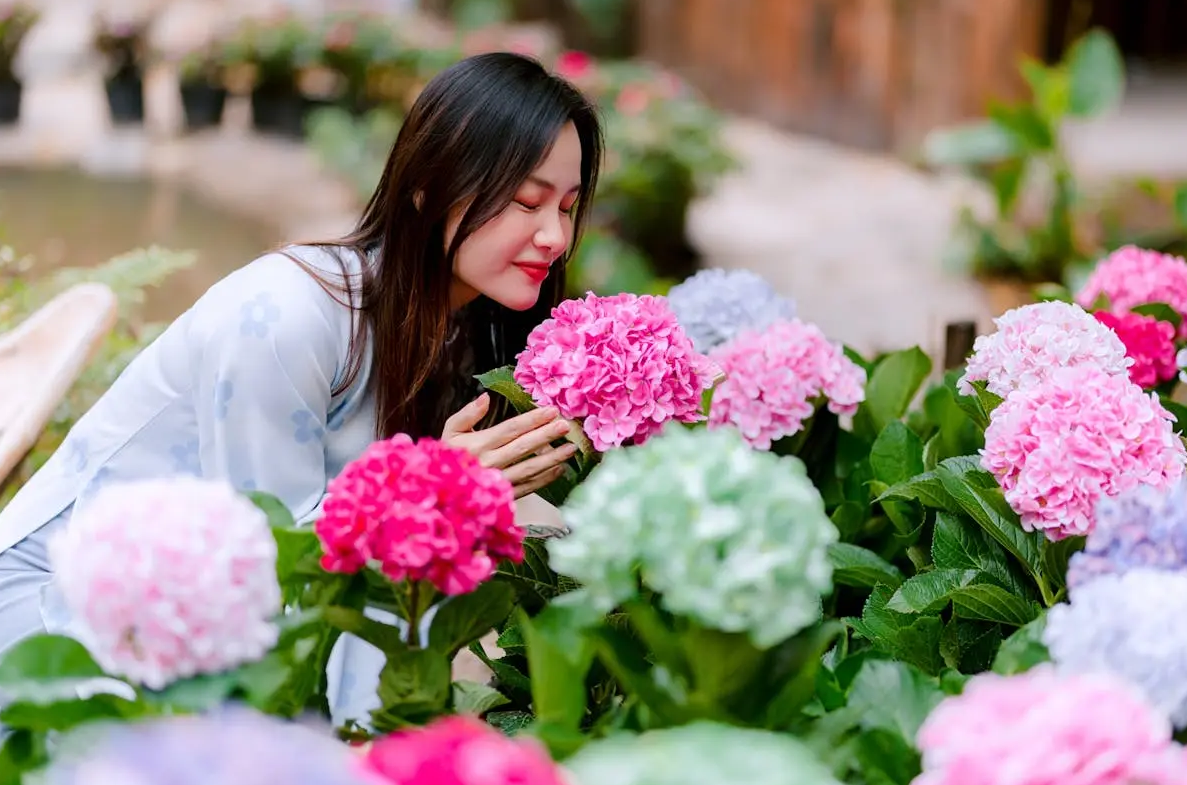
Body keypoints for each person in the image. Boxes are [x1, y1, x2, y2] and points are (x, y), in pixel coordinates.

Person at [0, 51, 603, 724]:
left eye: (569, 207)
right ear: (428, 188)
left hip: (192, 639)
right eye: (525, 201)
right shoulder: (286, 315)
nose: (554, 236)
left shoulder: (460, 334)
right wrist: (431, 490)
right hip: (59, 632)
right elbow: (265, 560)